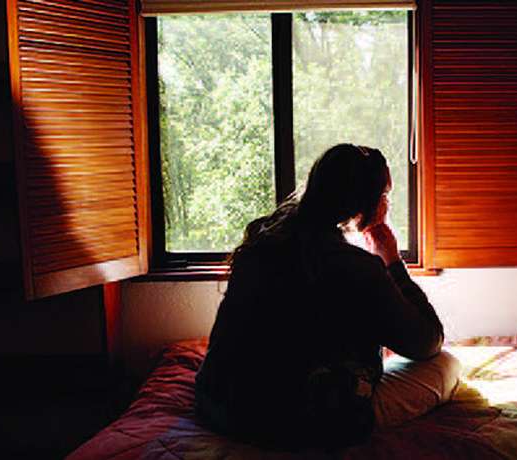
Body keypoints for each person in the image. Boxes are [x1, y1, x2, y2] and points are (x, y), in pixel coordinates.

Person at [194, 143, 460, 451]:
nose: (387, 203)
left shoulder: (261, 243)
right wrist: (392, 262)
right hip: (301, 420)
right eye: (385, 194)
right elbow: (428, 341)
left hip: (219, 403)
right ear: (368, 201)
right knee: (446, 364)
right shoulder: (357, 267)